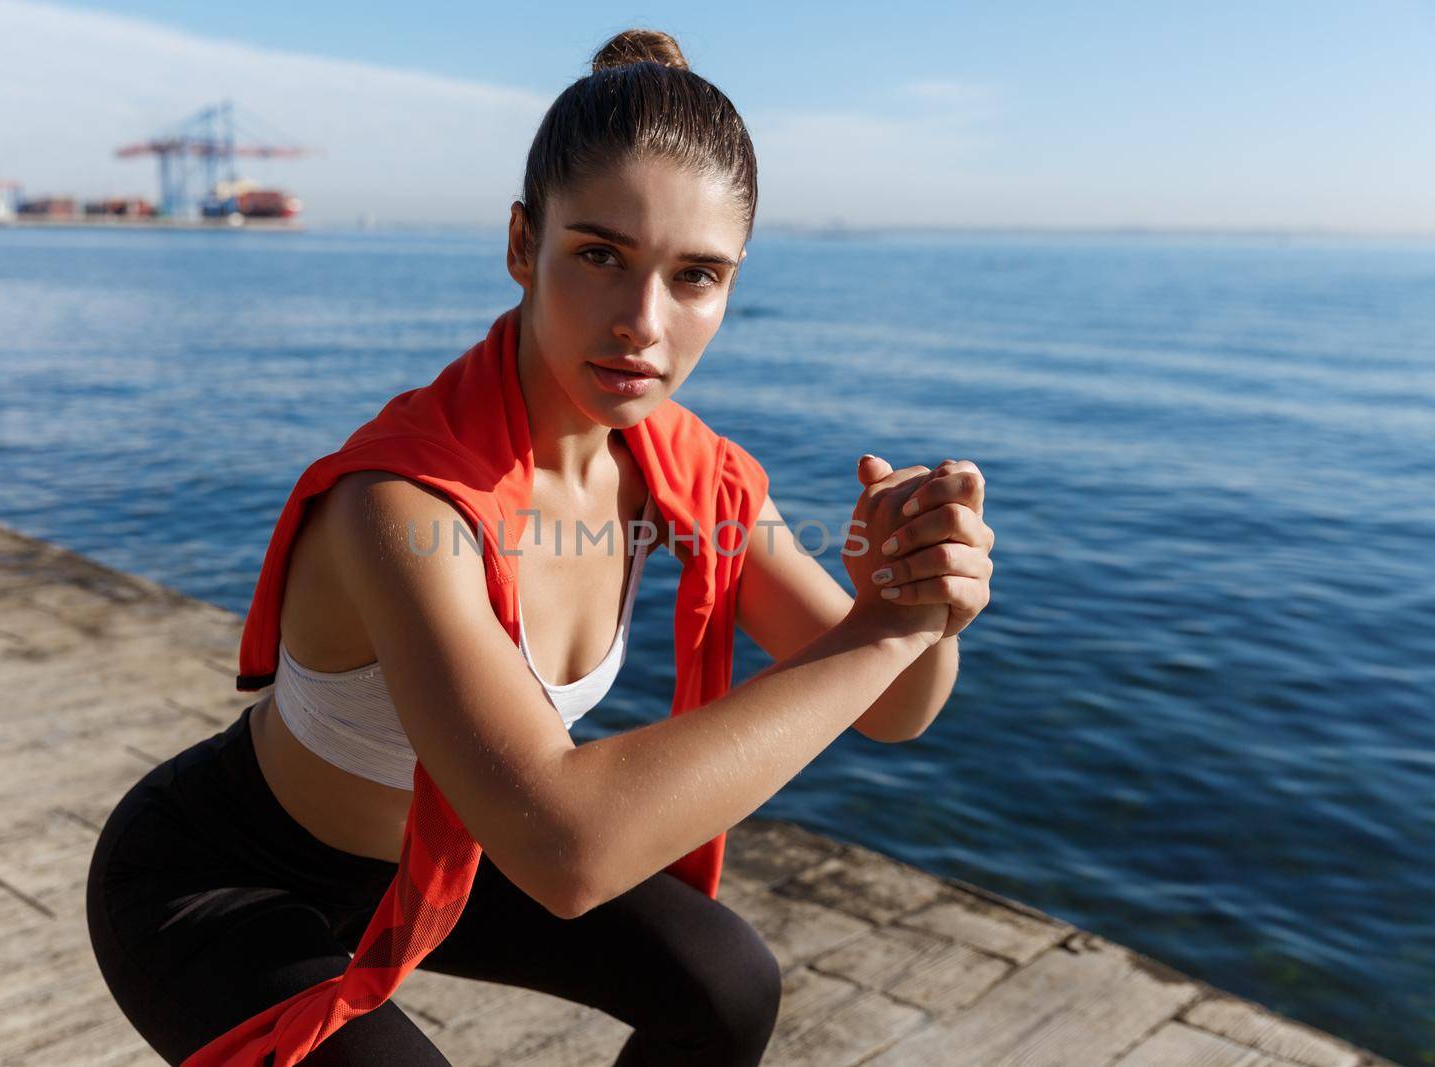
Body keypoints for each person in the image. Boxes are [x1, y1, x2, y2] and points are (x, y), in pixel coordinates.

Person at [87, 26, 988, 1067]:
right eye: (599, 254)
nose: (642, 322)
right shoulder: (405, 503)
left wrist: (922, 603)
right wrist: (882, 632)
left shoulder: (689, 472)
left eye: (694, 275)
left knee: (726, 983)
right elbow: (568, 847)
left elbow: (893, 705)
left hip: (444, 853)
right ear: (523, 243)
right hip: (224, 875)